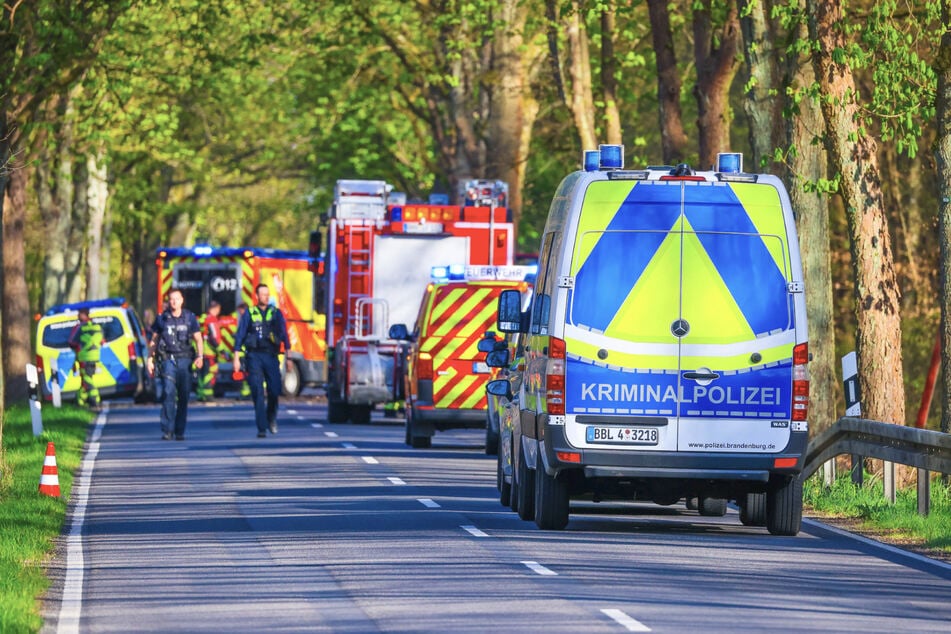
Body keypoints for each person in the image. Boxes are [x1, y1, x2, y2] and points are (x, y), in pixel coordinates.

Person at [146, 288, 204, 440]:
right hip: (168, 360)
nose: (174, 302)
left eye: (176, 299)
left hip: (185, 360)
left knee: (184, 396)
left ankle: (179, 431)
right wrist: (149, 359)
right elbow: (154, 340)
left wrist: (200, 356)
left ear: (182, 300)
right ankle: (167, 429)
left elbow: (198, 338)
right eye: (171, 299)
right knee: (168, 393)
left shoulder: (189, 317)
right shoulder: (162, 318)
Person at [234, 284, 289, 438]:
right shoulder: (250, 313)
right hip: (254, 356)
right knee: (257, 391)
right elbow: (240, 335)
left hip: (271, 355)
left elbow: (284, 334)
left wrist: (289, 356)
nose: (265, 296)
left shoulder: (275, 313)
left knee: (274, 390)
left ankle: (271, 417)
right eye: (262, 294)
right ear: (257, 296)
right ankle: (262, 427)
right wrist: (236, 357)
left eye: (267, 294)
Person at [67, 307, 103, 410]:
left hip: (84, 356)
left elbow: (72, 342)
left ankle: (94, 399)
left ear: (84, 314)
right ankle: (79, 401)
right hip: (95, 356)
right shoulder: (97, 327)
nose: (78, 316)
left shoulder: (80, 327)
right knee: (86, 379)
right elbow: (102, 341)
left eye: (79, 314)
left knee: (87, 378)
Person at [197, 300, 222, 402]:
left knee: (201, 374)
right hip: (210, 352)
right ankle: (208, 394)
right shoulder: (212, 320)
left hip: (201, 351)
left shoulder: (202, 319)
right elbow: (215, 337)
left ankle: (201, 393)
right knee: (210, 373)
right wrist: (221, 350)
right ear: (216, 309)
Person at [234, 303, 252, 399]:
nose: (239, 313)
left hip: (247, 351)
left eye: (240, 311)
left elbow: (241, 336)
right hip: (246, 351)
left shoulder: (246, 319)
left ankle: (247, 393)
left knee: (247, 372)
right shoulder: (247, 319)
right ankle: (247, 392)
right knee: (245, 372)